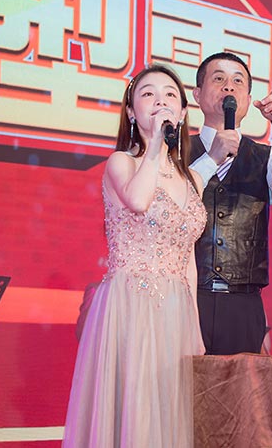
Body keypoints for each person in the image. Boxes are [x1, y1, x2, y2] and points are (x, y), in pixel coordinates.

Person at [64, 65, 206, 446]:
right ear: (131, 112)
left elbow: (189, 259)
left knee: (168, 417)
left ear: (182, 112)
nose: (160, 101)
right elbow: (139, 200)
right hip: (131, 305)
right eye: (148, 94)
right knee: (135, 413)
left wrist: (194, 324)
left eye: (170, 94)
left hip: (176, 312)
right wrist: (156, 146)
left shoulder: (192, 179)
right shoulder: (121, 163)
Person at [189, 52, 272, 355]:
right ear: (197, 95)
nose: (229, 87)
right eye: (219, 79)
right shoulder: (174, 151)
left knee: (239, 384)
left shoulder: (265, 158)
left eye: (238, 81)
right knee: (180, 384)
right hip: (184, 297)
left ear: (249, 99)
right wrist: (210, 159)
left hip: (242, 304)